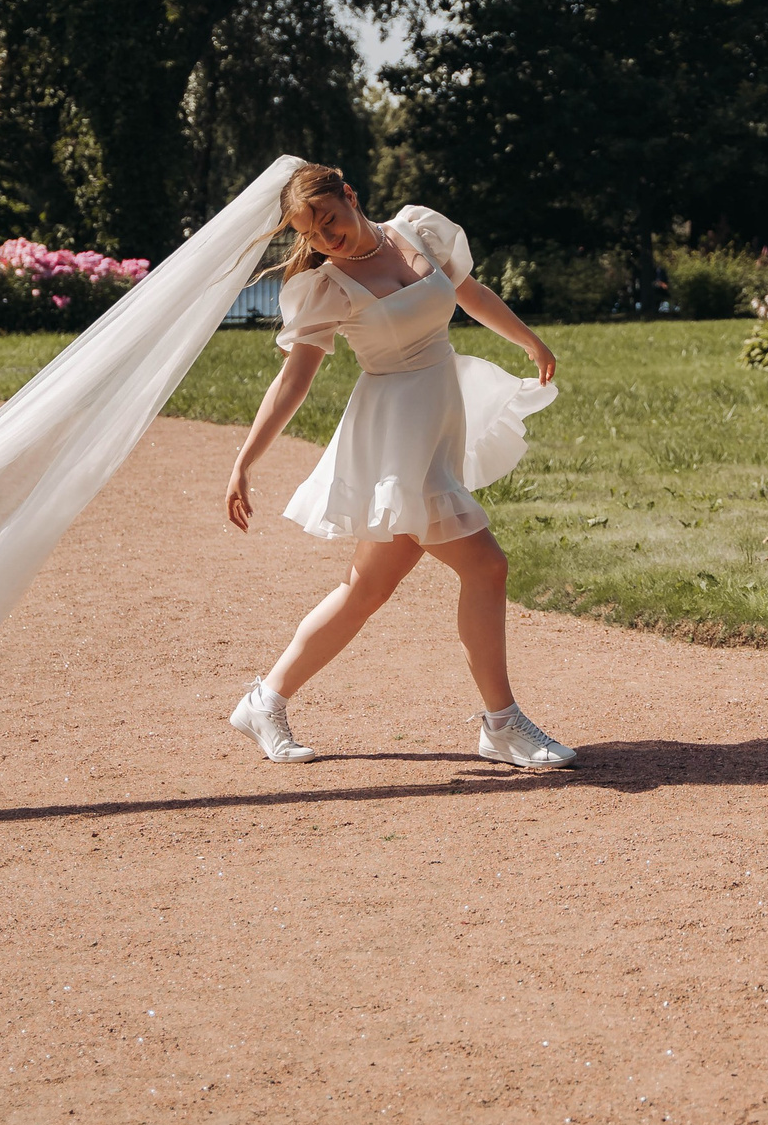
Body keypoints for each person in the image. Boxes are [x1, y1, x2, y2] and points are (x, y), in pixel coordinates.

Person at [222, 163, 573, 771]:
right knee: (487, 566)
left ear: (350, 196)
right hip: (394, 433)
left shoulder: (417, 231)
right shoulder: (326, 286)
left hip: (438, 413)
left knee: (367, 588)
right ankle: (501, 724)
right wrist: (244, 459)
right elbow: (293, 381)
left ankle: (264, 699)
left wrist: (528, 340)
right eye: (312, 232)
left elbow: (469, 292)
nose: (326, 237)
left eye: (330, 219)